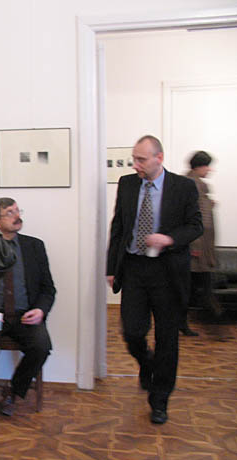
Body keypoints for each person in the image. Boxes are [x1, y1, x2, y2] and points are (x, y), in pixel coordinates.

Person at [106, 135, 202, 425]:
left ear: (159, 158)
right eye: (134, 159)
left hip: (167, 271)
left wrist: (169, 239)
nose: (135, 165)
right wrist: (111, 267)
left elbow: (195, 226)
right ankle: (147, 363)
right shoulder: (127, 184)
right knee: (132, 332)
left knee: (167, 339)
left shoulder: (183, 187)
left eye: (141, 159)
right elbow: (118, 227)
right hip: (134, 268)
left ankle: (160, 400)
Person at [0, 198, 56, 424]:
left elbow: (48, 289)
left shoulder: (34, 246)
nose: (17, 216)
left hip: (25, 316)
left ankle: (13, 392)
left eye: (17, 210)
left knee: (41, 346)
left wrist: (40, 310)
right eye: (10, 213)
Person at [186, 150, 220, 319]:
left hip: (202, 246)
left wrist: (209, 205)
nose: (209, 170)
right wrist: (195, 246)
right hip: (198, 247)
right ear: (199, 166)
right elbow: (192, 218)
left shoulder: (199, 184)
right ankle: (216, 315)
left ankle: (182, 322)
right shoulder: (192, 184)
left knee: (195, 286)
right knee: (196, 286)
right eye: (207, 166)